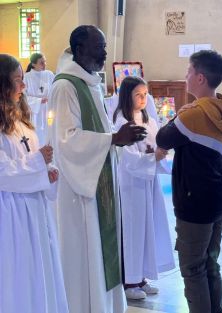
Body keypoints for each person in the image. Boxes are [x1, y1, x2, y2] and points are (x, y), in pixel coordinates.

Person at [47, 25, 147, 313]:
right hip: (79, 192)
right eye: (98, 47)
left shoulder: (90, 81)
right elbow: (66, 140)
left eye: (103, 46)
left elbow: (98, 132)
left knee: (101, 252)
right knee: (83, 252)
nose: (104, 53)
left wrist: (118, 138)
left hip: (97, 180)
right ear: (79, 50)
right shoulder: (65, 86)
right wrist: (114, 139)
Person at [156, 50, 222, 313]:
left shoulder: (193, 114)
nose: (185, 77)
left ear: (200, 78)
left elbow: (163, 139)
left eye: (188, 72)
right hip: (218, 198)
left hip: (195, 203)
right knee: (210, 262)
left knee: (192, 269)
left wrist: (181, 112)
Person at [0, 54, 69, 313]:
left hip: (34, 212)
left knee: (39, 271)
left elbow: (33, 162)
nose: (23, 86)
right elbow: (3, 172)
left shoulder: (22, 122)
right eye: (18, 80)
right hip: (10, 216)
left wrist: (47, 174)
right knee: (18, 277)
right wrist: (38, 162)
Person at [113, 76, 175, 300]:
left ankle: (142, 276)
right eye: (138, 95)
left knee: (147, 229)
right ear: (127, 96)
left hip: (148, 182)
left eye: (145, 94)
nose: (143, 98)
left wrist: (158, 152)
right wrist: (151, 157)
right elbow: (127, 157)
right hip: (131, 184)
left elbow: (155, 143)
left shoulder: (147, 118)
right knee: (133, 231)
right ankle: (129, 282)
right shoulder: (122, 120)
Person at [24, 53, 55, 146]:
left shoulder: (49, 74)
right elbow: (23, 96)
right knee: (37, 136)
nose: (44, 64)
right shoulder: (26, 77)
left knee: (50, 133)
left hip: (49, 110)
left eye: (45, 62)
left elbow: (55, 89)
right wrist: (38, 101)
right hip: (35, 112)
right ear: (33, 64)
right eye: (41, 62)